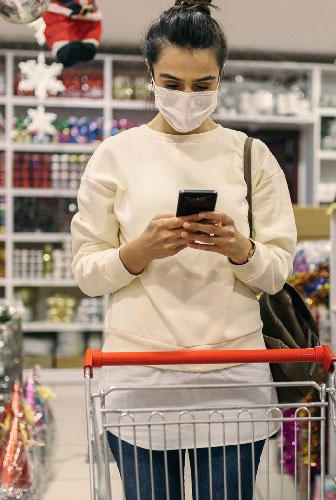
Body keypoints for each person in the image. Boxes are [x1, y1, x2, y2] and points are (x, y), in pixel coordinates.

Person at [71, 0, 296, 498]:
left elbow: (277, 272)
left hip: (234, 377)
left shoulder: (250, 156)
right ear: (150, 74)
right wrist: (138, 252)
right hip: (139, 376)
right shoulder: (115, 156)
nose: (187, 97)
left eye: (203, 85)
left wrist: (241, 248)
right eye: (172, 84)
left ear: (222, 77)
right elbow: (87, 273)